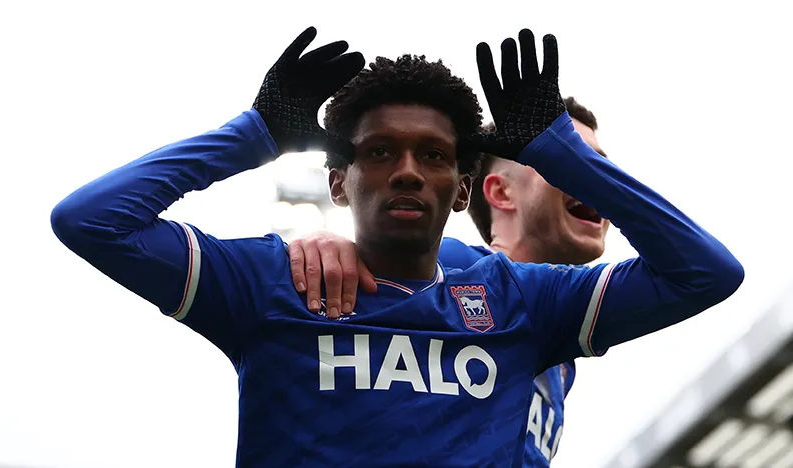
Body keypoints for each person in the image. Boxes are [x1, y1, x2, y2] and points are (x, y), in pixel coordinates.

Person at [51, 25, 744, 467]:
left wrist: (562, 152)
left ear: (463, 189)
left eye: (435, 156)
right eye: (380, 151)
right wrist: (253, 134)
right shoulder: (278, 281)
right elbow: (92, 221)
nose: (409, 171)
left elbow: (707, 273)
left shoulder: (526, 306)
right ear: (339, 182)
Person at [290, 97, 610, 466]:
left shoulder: (562, 353)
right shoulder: (456, 269)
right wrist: (323, 242)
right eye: (568, 160)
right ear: (501, 192)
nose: (593, 178)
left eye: (599, 166)